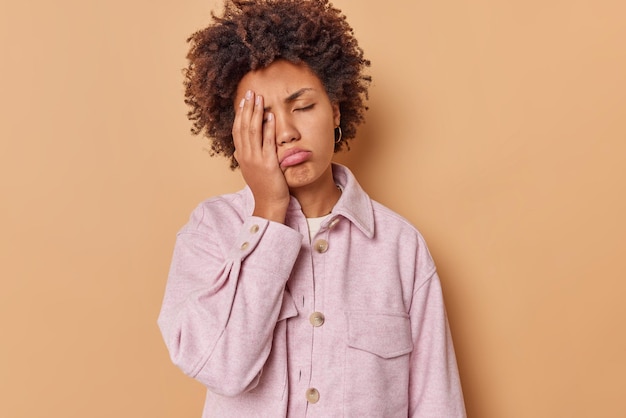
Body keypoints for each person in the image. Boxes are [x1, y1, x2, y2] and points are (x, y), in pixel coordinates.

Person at [157, 0, 466, 416]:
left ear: (335, 109)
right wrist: (268, 211)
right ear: (236, 133)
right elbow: (223, 368)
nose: (285, 132)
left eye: (302, 107)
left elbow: (437, 404)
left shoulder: (400, 248)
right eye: (261, 119)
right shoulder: (210, 232)